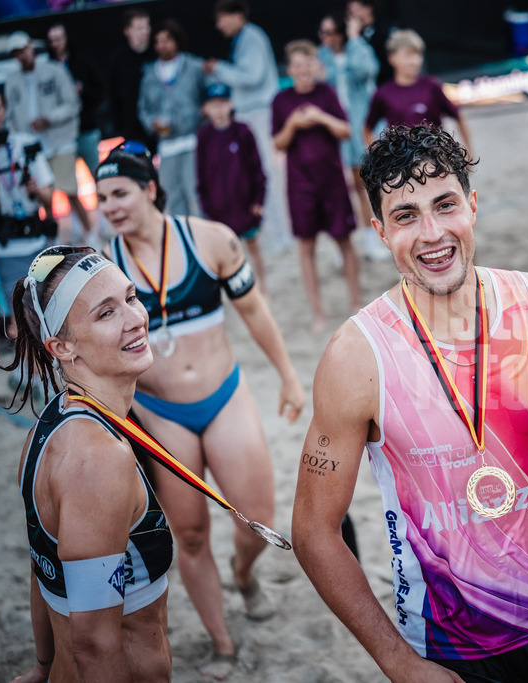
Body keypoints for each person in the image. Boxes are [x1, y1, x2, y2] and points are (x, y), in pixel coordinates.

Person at [292, 123, 528, 682]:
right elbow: (313, 530)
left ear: (472, 204)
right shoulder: (355, 357)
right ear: (378, 230)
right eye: (405, 215)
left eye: (445, 205)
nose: (431, 233)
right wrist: (399, 664)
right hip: (452, 647)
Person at [95, 145, 306, 679]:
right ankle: (221, 642)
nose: (110, 207)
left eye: (119, 193)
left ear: (148, 188)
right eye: (101, 199)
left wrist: (287, 376)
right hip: (159, 412)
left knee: (257, 520)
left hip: (224, 397)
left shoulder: (211, 238)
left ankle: (245, 573)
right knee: (188, 535)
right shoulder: (103, 268)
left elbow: (254, 310)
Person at [0, 245, 173, 683]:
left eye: (131, 298)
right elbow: (95, 646)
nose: (136, 319)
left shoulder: (51, 423)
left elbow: (44, 567)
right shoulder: (97, 460)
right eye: (106, 313)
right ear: (62, 347)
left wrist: (42, 667)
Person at [272, 39, 362, 332]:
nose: (303, 69)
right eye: (297, 65)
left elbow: (347, 131)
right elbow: (278, 143)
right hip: (300, 185)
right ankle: (318, 313)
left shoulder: (326, 93)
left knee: (345, 241)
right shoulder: (281, 101)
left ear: (315, 65)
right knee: (306, 248)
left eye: (307, 63)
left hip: (332, 180)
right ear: (290, 69)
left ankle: (355, 303)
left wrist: (320, 117)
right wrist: (294, 124)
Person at [205, 0, 291, 249]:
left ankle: (283, 233)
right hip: (250, 116)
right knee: (257, 174)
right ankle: (275, 232)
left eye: (221, 18)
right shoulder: (243, 39)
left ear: (236, 15)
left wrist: (218, 68)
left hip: (260, 115)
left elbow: (251, 77)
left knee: (268, 173)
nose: (219, 26)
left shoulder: (251, 36)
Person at [0, 86, 56, 337]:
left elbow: (50, 197)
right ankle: (28, 372)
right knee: (15, 316)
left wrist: (38, 191)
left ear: (5, 110)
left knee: (47, 306)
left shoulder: (25, 144)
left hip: (35, 240)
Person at [3, 32, 90, 239]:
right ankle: (52, 238)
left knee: (69, 190)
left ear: (31, 47)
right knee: (45, 196)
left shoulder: (54, 70)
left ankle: (89, 232)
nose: (22, 56)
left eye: (23, 50)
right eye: (17, 53)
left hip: (60, 141)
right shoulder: (12, 80)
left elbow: (72, 104)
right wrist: (17, 140)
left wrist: (49, 118)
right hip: (32, 148)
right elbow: (10, 116)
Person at [317, 9, 388, 261]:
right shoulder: (321, 57)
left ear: (339, 34)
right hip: (337, 129)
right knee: (345, 186)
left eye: (328, 32)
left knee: (368, 183)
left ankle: (373, 239)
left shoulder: (358, 49)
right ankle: (347, 241)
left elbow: (368, 70)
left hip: (362, 126)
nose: (323, 37)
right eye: (322, 32)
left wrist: (355, 39)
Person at [196, 82, 267, 290]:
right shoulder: (203, 137)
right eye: (213, 104)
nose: (218, 109)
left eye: (222, 103)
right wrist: (207, 208)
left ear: (231, 104)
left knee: (252, 247)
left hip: (245, 205)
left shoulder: (243, 131)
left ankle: (262, 288)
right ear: (205, 108)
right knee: (227, 253)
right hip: (219, 211)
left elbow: (258, 170)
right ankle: (235, 290)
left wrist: (258, 200)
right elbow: (201, 178)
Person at [363, 30, 473, 158]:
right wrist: (379, 159)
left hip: (437, 158)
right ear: (392, 58)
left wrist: (468, 152)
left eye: (418, 55)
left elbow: (458, 115)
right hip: (403, 163)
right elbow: (366, 128)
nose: (414, 61)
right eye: (408, 55)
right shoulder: (383, 93)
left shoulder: (431, 86)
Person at [138, 19, 207, 217]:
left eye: (167, 39)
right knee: (173, 197)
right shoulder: (149, 73)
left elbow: (209, 98)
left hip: (192, 141)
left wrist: (199, 115)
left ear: (177, 40)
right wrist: (152, 123)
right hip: (167, 146)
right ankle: (183, 239)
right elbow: (143, 108)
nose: (163, 45)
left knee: (198, 193)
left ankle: (205, 237)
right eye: (158, 41)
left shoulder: (194, 66)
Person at [47, 24, 104, 180]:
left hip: (86, 129)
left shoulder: (83, 61)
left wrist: (82, 90)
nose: (55, 44)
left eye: (58, 39)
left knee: (98, 175)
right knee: (66, 183)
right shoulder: (47, 66)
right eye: (51, 41)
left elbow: (99, 92)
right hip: (61, 134)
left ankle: (105, 203)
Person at [108, 9, 155, 151]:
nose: (145, 32)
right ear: (127, 31)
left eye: (147, 26)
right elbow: (113, 97)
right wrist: (121, 129)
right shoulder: (118, 60)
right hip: (132, 130)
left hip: (158, 126)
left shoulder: (157, 55)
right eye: (139, 27)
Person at [347, 0, 393, 85]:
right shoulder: (348, 36)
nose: (353, 16)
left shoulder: (383, 32)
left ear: (368, 9)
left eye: (356, 10)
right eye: (350, 12)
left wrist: (355, 38)